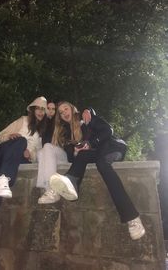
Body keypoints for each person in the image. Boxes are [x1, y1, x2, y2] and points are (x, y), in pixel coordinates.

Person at [49, 101, 146, 240]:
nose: (64, 113)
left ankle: (133, 218)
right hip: (97, 152)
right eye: (61, 112)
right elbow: (72, 157)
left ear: (72, 109)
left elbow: (107, 130)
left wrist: (90, 113)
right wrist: (77, 151)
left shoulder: (87, 118)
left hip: (113, 147)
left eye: (65, 109)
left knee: (102, 164)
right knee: (82, 155)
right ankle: (70, 183)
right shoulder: (69, 133)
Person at [0, 96, 47, 238]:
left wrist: (30, 154)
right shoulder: (22, 120)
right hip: (6, 150)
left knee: (7, 165)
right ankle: (3, 180)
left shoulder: (40, 134)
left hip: (20, 159)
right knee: (21, 140)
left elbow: (37, 154)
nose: (41, 112)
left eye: (44, 109)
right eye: (38, 108)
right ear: (33, 109)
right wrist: (10, 136)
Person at [36, 101, 69, 204]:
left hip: (62, 155)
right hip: (49, 156)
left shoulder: (61, 123)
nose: (50, 111)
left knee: (47, 147)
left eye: (53, 109)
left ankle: (53, 190)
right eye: (48, 108)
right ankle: (47, 190)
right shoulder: (41, 125)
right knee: (40, 153)